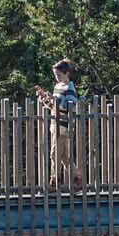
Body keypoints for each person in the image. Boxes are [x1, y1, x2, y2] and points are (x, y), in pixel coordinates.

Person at [36, 59, 79, 189]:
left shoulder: (69, 88)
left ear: (67, 74)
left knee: (54, 153)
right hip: (55, 124)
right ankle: (77, 178)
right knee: (64, 156)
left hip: (63, 125)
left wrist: (53, 100)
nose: (57, 77)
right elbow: (53, 107)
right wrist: (45, 99)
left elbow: (69, 106)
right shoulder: (57, 87)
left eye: (59, 75)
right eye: (55, 75)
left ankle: (54, 181)